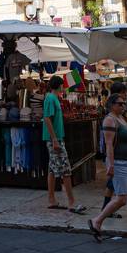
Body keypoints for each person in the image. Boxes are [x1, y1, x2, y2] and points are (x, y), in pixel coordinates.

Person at [88, 95, 127, 245]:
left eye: (124, 104)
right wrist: (110, 165)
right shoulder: (110, 120)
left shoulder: (123, 118)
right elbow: (109, 145)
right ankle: (96, 221)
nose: (124, 106)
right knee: (121, 199)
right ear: (111, 105)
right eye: (120, 104)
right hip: (120, 163)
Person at [43, 76, 86, 213]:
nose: (64, 87)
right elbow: (47, 119)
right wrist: (55, 139)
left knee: (52, 169)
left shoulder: (53, 98)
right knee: (65, 169)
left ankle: (51, 199)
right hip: (55, 139)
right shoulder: (51, 98)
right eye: (62, 85)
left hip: (55, 138)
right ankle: (72, 202)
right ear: (59, 85)